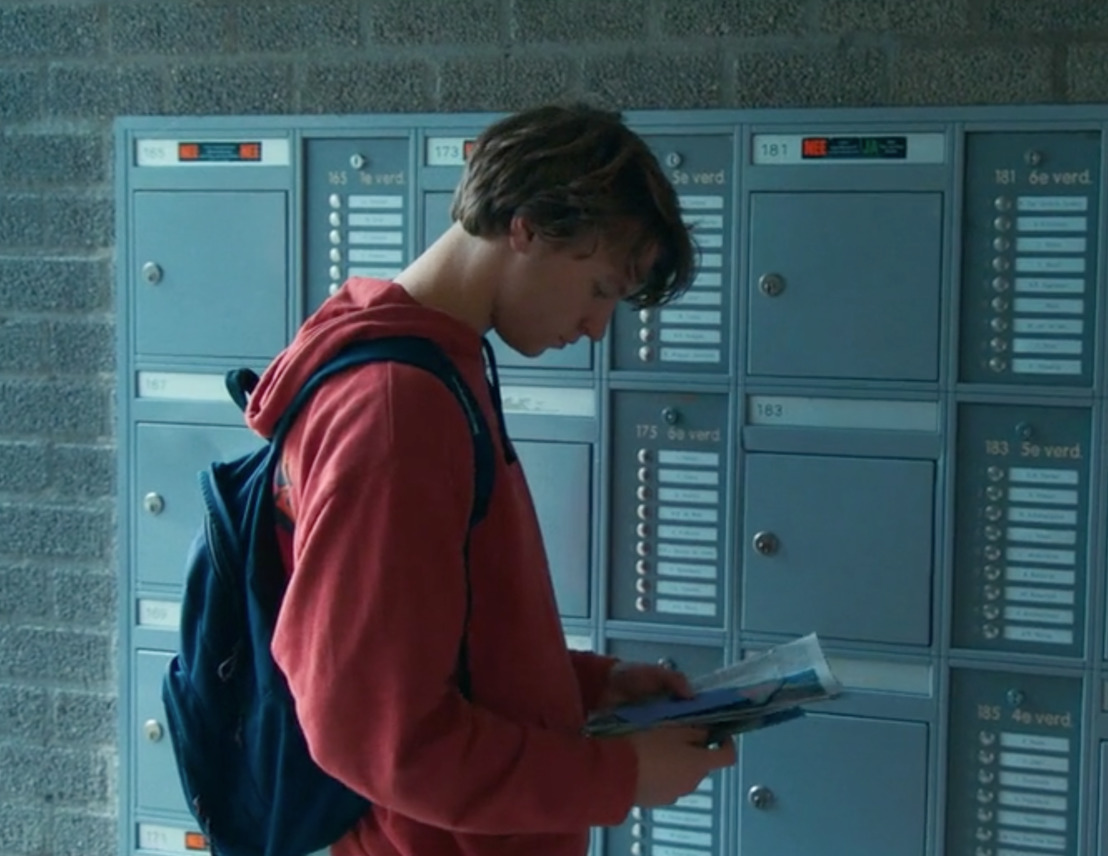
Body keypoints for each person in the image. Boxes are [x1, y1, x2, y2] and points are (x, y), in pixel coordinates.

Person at [241, 102, 737, 856]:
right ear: (527, 227)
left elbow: (444, 644)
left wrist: (588, 686)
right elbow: (372, 730)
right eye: (600, 287)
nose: (599, 327)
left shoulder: (442, 364)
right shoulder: (397, 410)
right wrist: (617, 776)